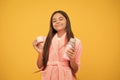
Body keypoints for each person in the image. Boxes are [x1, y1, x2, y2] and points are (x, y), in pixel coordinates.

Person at [32, 10, 82, 80]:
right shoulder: (46, 40)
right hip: (49, 77)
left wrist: (72, 59)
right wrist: (40, 53)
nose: (57, 22)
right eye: (54, 21)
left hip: (66, 77)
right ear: (52, 24)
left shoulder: (76, 42)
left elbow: (75, 70)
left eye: (61, 19)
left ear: (67, 21)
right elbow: (40, 66)